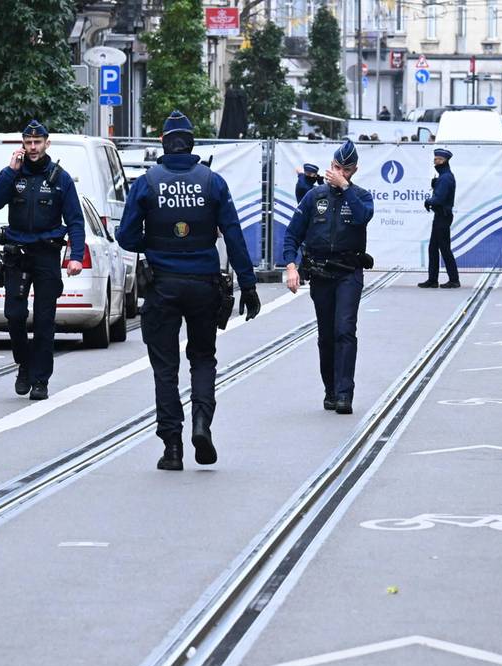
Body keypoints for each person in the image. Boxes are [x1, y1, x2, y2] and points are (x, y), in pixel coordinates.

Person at [117, 111, 261, 471]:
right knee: (202, 357)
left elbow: (126, 237)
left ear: (163, 144)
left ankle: (172, 448)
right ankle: (201, 423)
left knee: (165, 368)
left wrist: (155, 239)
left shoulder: (147, 183)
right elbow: (234, 235)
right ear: (192, 143)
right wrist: (248, 284)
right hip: (203, 285)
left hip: (162, 285)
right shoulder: (212, 182)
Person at [0, 119, 86, 400]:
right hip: (17, 254)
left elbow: (76, 221)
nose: (32, 148)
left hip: (47, 255)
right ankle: (24, 364)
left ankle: (40, 379)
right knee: (14, 315)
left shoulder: (59, 178)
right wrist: (9, 171)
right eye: (28, 143)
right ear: (22, 144)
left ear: (46, 144)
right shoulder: (13, 175)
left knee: (44, 320)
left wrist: (75, 256)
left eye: (37, 143)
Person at [282, 140, 375, 415]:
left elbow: (362, 218)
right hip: (321, 273)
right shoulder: (314, 197)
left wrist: (346, 189)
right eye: (336, 167)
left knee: (344, 330)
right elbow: (292, 234)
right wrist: (291, 266)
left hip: (348, 272)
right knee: (326, 335)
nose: (339, 173)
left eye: (345, 170)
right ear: (330, 165)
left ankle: (345, 393)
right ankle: (331, 390)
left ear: (353, 171)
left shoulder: (361, 196)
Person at [419, 148, 460, 289]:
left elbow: (439, 199)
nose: (435, 162)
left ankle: (453, 279)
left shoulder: (445, 178)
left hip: (443, 216)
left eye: (438, 160)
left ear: (445, 161)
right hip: (441, 216)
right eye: (435, 159)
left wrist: (428, 201)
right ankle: (433, 279)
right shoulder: (444, 176)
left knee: (444, 248)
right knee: (434, 248)